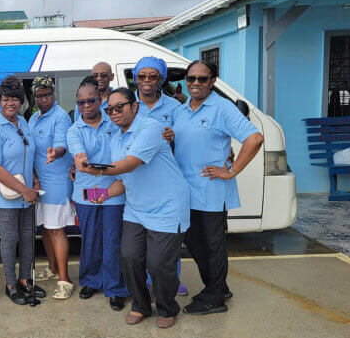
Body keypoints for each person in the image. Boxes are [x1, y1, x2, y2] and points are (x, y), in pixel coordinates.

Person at [78, 88, 190, 329]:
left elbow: (130, 164)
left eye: (120, 107)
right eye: (110, 109)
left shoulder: (150, 128)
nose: (114, 113)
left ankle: (167, 306)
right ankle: (140, 305)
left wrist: (95, 170)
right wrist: (104, 193)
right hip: (136, 208)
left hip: (167, 207)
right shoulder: (117, 138)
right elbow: (123, 180)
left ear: (135, 106)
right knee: (129, 257)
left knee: (159, 262)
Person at [173, 60, 264, 315]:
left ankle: (214, 298)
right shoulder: (183, 110)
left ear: (212, 81)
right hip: (187, 191)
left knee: (212, 245)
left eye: (202, 79)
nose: (196, 83)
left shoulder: (222, 108)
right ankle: (218, 287)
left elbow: (254, 138)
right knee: (194, 242)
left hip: (211, 190)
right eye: (191, 78)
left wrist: (232, 171)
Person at [67, 76, 128, 311]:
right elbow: (80, 158)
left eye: (90, 101)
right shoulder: (75, 130)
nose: (86, 106)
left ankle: (115, 288)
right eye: (81, 103)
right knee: (91, 239)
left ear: (99, 100)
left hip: (114, 191)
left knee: (113, 240)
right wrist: (82, 161)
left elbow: (122, 155)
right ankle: (91, 281)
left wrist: (94, 167)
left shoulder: (115, 124)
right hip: (86, 193)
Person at [0, 76, 45, 305]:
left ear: (22, 101)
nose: (11, 103)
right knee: (10, 240)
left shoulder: (23, 122)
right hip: (6, 196)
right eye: (6, 98)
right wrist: (24, 190)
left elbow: (28, 156)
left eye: (15, 99)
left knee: (28, 237)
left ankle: (25, 280)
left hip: (27, 193)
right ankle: (10, 284)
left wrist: (35, 181)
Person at [132, 56, 188, 297]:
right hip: (138, 180)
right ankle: (145, 279)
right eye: (142, 76)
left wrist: (174, 135)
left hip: (167, 182)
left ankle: (171, 280)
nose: (147, 81)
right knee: (142, 237)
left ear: (161, 79)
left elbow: (186, 138)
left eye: (152, 76)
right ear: (135, 79)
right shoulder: (128, 105)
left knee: (169, 237)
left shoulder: (175, 107)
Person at [27, 76, 75, 300]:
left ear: (53, 94)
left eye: (47, 95)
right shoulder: (35, 117)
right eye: (39, 95)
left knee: (56, 230)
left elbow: (62, 144)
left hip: (56, 182)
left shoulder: (60, 116)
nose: (44, 99)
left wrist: (56, 152)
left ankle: (64, 280)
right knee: (45, 229)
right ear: (34, 97)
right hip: (39, 183)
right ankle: (53, 268)